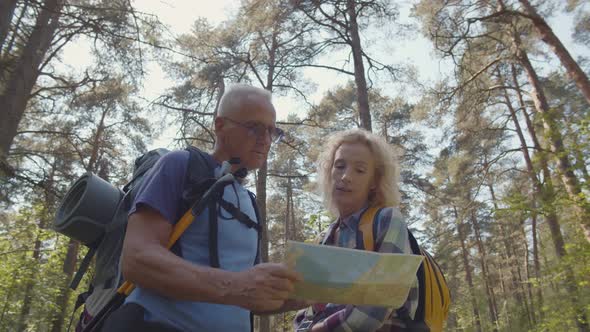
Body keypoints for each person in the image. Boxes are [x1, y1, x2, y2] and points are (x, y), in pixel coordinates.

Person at [101, 84, 303, 331]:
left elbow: (247, 297)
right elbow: (137, 259)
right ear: (220, 126)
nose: (265, 140)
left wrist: (296, 297)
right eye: (254, 127)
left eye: (273, 131)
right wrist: (237, 286)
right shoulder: (180, 165)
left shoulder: (249, 201)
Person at [294, 129, 419, 332]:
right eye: (339, 166)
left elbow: (378, 304)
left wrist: (322, 329)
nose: (345, 177)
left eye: (359, 170)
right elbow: (308, 308)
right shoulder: (325, 238)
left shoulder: (387, 220)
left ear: (374, 182)